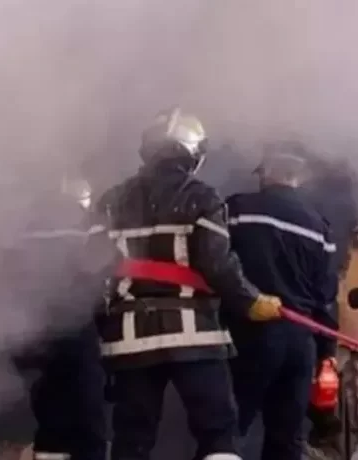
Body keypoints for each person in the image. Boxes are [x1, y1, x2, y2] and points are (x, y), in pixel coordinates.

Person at [90, 107, 283, 460]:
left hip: (129, 338)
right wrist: (250, 300)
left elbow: (90, 269)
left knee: (132, 438)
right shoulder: (203, 197)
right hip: (196, 336)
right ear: (194, 153)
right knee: (218, 433)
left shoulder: (111, 201)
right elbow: (217, 264)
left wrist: (105, 326)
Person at [225, 140, 338, 460]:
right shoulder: (320, 227)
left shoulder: (238, 209)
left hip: (251, 333)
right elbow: (325, 296)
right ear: (298, 177)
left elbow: (215, 264)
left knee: (228, 431)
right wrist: (326, 353)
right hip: (300, 343)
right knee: (287, 439)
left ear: (266, 172)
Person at [13, 173, 110, 460]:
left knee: (50, 408)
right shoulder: (87, 223)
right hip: (77, 325)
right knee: (88, 416)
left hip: (35, 328)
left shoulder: (23, 224)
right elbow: (102, 269)